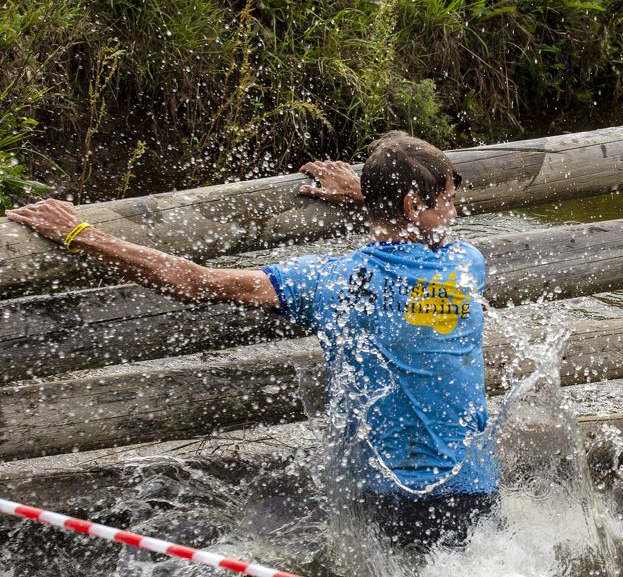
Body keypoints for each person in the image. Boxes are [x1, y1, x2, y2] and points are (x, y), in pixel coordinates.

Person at [4, 131, 499, 550]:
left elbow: (194, 282)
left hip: (387, 497)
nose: (455, 211)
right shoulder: (464, 264)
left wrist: (82, 234)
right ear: (414, 204)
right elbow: (416, 236)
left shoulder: (329, 281)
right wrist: (365, 196)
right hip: (474, 485)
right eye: (448, 199)